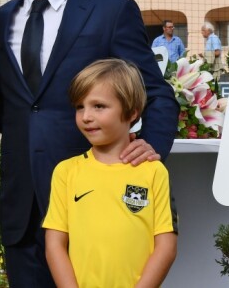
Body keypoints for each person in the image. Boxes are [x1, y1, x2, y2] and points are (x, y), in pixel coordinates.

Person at [0, 0, 179, 287]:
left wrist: (153, 144)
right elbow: (2, 106)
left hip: (99, 209)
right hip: (22, 213)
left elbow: (156, 92)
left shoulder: (111, 11)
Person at [43, 59, 178, 287]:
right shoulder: (65, 172)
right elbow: (54, 244)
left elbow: (166, 246)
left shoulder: (154, 171)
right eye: (80, 106)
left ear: (131, 112)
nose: (86, 116)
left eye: (99, 106)